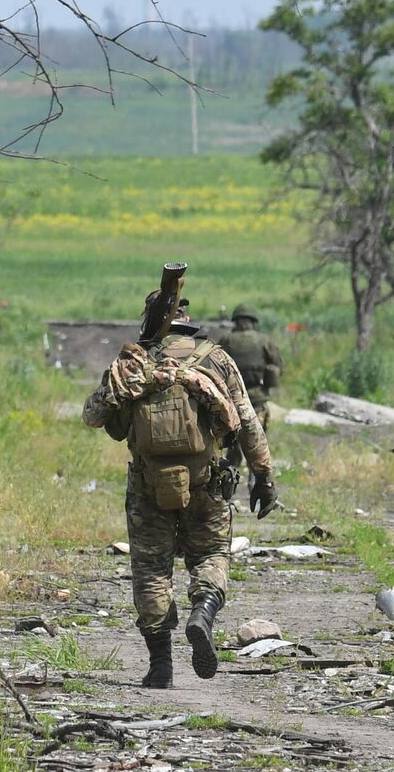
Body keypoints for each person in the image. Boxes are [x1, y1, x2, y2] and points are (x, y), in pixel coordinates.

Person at [83, 292, 277, 688]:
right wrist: (264, 475)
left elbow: (94, 415)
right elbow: (246, 420)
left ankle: (160, 667)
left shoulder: (131, 362)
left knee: (152, 572)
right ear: (187, 319)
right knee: (210, 555)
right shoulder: (215, 358)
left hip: (148, 487)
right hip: (207, 482)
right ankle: (203, 611)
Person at [217, 305, 282, 429]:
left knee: (235, 439)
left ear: (235, 320)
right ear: (253, 321)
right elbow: (278, 365)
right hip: (258, 396)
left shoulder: (226, 340)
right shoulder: (264, 340)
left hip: (233, 396)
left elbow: (216, 366)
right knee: (258, 440)